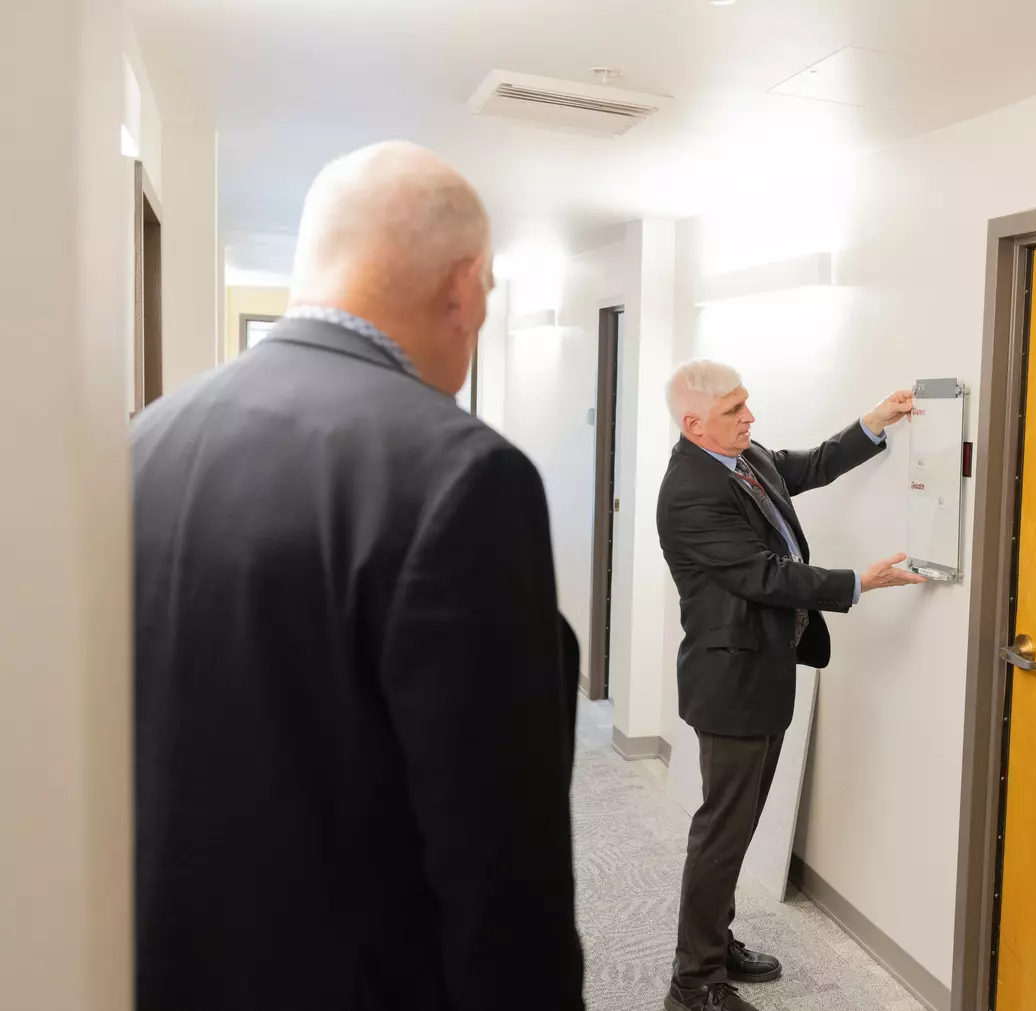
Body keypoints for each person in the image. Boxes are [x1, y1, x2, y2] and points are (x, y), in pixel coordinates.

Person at [132, 142, 585, 1011]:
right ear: (464, 284)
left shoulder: (146, 439)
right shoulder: (462, 474)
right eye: (486, 296)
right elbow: (499, 864)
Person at [657, 360, 927, 1011]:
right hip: (730, 684)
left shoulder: (744, 456)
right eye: (733, 411)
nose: (750, 418)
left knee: (739, 826)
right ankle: (693, 983)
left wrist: (875, 421)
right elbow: (766, 576)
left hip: (765, 670)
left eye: (747, 403)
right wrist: (857, 582)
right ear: (694, 424)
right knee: (722, 832)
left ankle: (715, 942)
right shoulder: (690, 491)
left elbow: (809, 464)